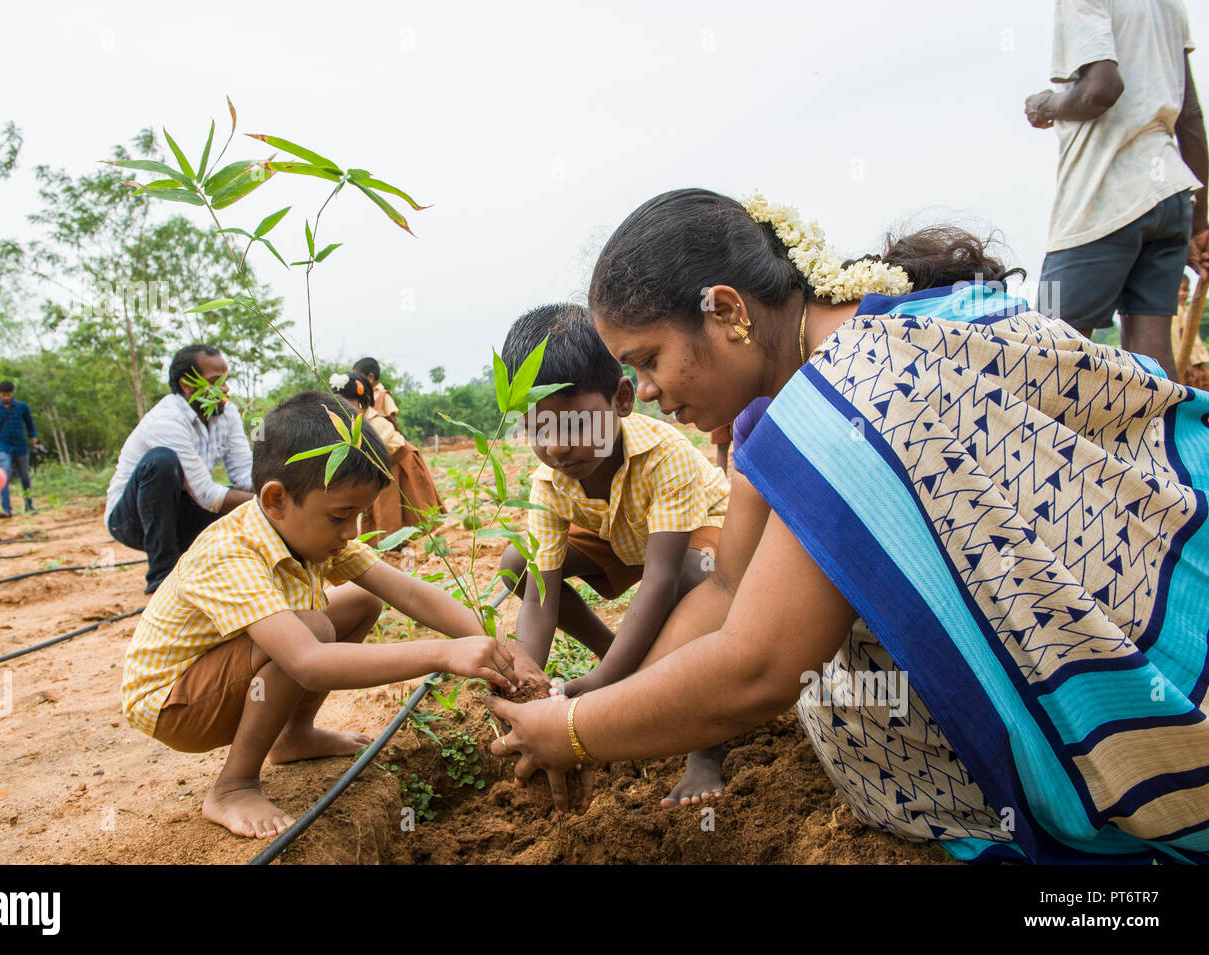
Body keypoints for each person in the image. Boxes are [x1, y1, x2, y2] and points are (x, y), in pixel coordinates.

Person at [487, 188, 1209, 864]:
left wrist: (574, 733)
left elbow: (759, 668)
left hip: (1158, 687)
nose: (647, 391)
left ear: (728, 312)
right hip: (1167, 581)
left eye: (650, 360)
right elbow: (727, 585)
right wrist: (605, 703)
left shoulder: (842, 404)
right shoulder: (848, 353)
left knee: (832, 670)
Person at [121, 390, 529, 839]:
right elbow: (308, 664)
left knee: (361, 601)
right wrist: (443, 653)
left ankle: (293, 736)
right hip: (174, 705)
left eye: (357, 516)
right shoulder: (229, 552)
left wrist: (501, 650)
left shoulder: (304, 531)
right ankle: (233, 786)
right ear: (275, 499)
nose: (350, 532)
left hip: (223, 673)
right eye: (340, 517)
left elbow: (411, 594)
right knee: (310, 630)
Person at [498, 303, 732, 806]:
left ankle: (706, 752)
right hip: (625, 539)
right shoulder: (551, 481)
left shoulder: (663, 453)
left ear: (622, 398)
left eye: (576, 425)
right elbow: (539, 599)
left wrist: (603, 685)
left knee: (697, 578)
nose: (558, 448)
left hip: (697, 541)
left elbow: (662, 578)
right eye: (540, 430)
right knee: (521, 568)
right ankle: (616, 653)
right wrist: (530, 688)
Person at [1025, 0, 1207, 378]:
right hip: (1170, 192)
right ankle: (1165, 438)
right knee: (1153, 361)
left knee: (1048, 351)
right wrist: (1201, 221)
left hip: (1104, 194)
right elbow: (1189, 115)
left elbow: (1101, 90)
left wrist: (1048, 106)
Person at [106, 344, 255, 594]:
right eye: (216, 381)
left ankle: (217, 570)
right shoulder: (167, 420)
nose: (225, 389)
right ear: (188, 385)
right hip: (132, 521)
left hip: (180, 509)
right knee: (161, 462)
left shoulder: (227, 413)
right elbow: (207, 495)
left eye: (226, 380)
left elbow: (244, 474)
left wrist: (280, 491)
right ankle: (162, 575)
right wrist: (267, 504)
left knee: (236, 501)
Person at [331, 372, 447, 537]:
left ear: (362, 400)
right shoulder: (352, 422)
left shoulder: (375, 423)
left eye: (347, 401)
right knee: (386, 511)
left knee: (410, 509)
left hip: (400, 463)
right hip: (383, 468)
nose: (342, 406)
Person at [0, 380, 38, 518]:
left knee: (25, 476)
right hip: (2, 446)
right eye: (3, 395)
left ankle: (29, 504)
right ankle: (6, 509)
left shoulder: (22, 407)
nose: (6, 397)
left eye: (8, 395)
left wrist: (34, 439)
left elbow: (30, 425)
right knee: (3, 476)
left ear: (12, 393)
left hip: (20, 446)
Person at [1172, 272, 1209, 388]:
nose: (1184, 294)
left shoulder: (1187, 310)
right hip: (1184, 366)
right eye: (1180, 289)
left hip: (1196, 363)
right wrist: (1186, 366)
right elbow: (1176, 342)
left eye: (1186, 290)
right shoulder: (1174, 313)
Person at [352, 357, 400, 429]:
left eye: (358, 377)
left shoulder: (384, 395)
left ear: (370, 377)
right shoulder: (361, 395)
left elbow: (393, 421)